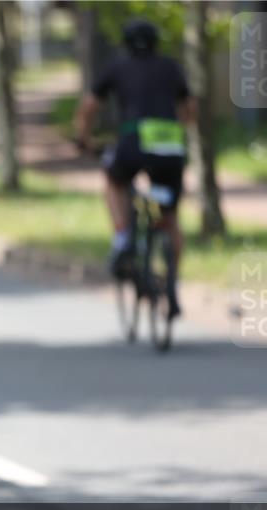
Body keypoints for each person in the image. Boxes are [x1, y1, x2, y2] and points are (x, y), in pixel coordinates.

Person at [74, 18, 196, 316]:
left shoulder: (117, 67)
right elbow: (190, 108)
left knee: (114, 181)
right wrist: (179, 130)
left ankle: (122, 238)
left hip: (132, 141)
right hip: (169, 146)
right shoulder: (171, 67)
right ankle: (172, 285)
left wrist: (84, 139)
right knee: (170, 216)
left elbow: (89, 106)